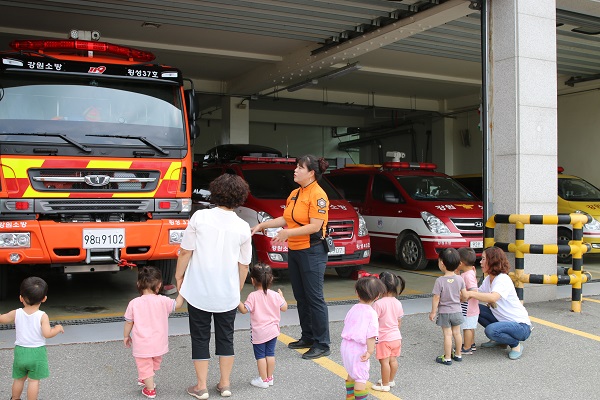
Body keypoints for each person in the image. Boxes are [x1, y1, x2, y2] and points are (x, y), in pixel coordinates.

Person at [175, 173, 252, 399]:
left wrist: (178, 277)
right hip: (227, 293)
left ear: (215, 192)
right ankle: (225, 384)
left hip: (198, 290)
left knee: (200, 337)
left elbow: (185, 251)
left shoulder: (200, 217)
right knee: (226, 337)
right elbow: (244, 265)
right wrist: (236, 291)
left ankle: (201, 387)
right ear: (240, 197)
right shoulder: (243, 226)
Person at [251, 155, 331, 360]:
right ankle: (308, 336)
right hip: (296, 250)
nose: (295, 170)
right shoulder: (295, 193)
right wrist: (262, 225)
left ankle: (322, 343)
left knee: (314, 297)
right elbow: (285, 218)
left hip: (312, 251)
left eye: (300, 167)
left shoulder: (318, 195)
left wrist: (288, 233)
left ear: (311, 173)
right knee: (301, 296)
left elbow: (315, 226)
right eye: (296, 167)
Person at [123, 266, 185, 399]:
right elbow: (178, 304)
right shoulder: (163, 301)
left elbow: (129, 322)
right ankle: (146, 377)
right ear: (159, 285)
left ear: (138, 284)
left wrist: (126, 336)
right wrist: (182, 291)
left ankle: (150, 389)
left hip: (142, 344)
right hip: (159, 342)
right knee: (153, 361)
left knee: (144, 364)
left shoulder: (134, 303)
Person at [0, 277, 64, 400]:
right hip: (37, 353)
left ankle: (15, 398)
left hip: (20, 351)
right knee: (33, 381)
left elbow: (2, 318)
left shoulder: (16, 313)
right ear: (44, 299)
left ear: (21, 298)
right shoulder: (42, 316)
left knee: (19, 379)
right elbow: (47, 333)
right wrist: (57, 328)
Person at [463, 246, 532, 360]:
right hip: (503, 321)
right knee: (475, 309)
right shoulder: (488, 279)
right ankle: (501, 341)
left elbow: (493, 298)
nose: (480, 262)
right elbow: (477, 294)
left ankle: (515, 345)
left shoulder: (502, 279)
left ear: (492, 261)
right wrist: (469, 280)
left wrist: (470, 293)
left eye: (483, 259)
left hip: (520, 326)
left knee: (491, 330)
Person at [237, 263, 288, 389]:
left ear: (252, 280)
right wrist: (282, 297)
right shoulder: (275, 295)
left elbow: (244, 310)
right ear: (271, 279)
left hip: (259, 333)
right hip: (273, 331)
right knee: (270, 354)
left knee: (260, 356)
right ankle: (270, 378)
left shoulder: (253, 296)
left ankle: (263, 380)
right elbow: (284, 308)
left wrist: (236, 299)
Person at [341, 277, 386, 400]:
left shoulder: (353, 308)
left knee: (352, 372)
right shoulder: (371, 313)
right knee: (361, 377)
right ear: (377, 296)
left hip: (346, 345)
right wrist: (370, 351)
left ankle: (350, 396)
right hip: (358, 348)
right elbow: (371, 335)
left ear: (357, 293)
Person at [429, 248, 467, 365]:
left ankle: (447, 357)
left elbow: (436, 297)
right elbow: (465, 295)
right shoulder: (460, 279)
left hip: (445, 312)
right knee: (457, 333)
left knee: (447, 334)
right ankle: (458, 354)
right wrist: (461, 300)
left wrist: (433, 312)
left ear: (442, 263)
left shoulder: (440, 281)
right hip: (457, 311)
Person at [371, 272, 406, 392]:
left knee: (384, 362)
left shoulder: (378, 304)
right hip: (396, 337)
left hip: (384, 338)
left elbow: (373, 322)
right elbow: (399, 321)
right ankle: (390, 380)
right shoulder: (398, 302)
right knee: (393, 360)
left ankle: (385, 384)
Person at [457, 247, 479, 354]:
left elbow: (473, 290)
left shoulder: (467, 275)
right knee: (470, 326)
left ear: (461, 263)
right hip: (472, 307)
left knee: (467, 328)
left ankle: (466, 348)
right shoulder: (470, 272)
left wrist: (464, 297)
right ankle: (471, 344)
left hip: (468, 308)